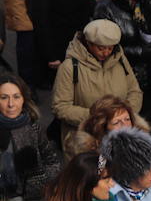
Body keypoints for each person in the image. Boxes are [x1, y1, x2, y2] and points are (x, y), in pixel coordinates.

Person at [51, 18, 144, 149]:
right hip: (84, 141)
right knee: (92, 169)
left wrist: (123, 115)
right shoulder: (69, 67)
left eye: (110, 48)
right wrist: (100, 118)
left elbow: (134, 91)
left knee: (116, 168)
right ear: (88, 43)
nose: (106, 53)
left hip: (118, 136)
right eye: (101, 48)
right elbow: (60, 107)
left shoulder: (120, 60)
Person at [0, 72, 60, 201]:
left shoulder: (34, 127)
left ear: (24, 99)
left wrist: (35, 178)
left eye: (16, 97)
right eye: (4, 97)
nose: (11, 104)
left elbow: (53, 163)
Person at [66, 94, 150, 157]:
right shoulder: (93, 160)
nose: (125, 125)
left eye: (127, 119)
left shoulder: (141, 144)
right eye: (116, 123)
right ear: (102, 128)